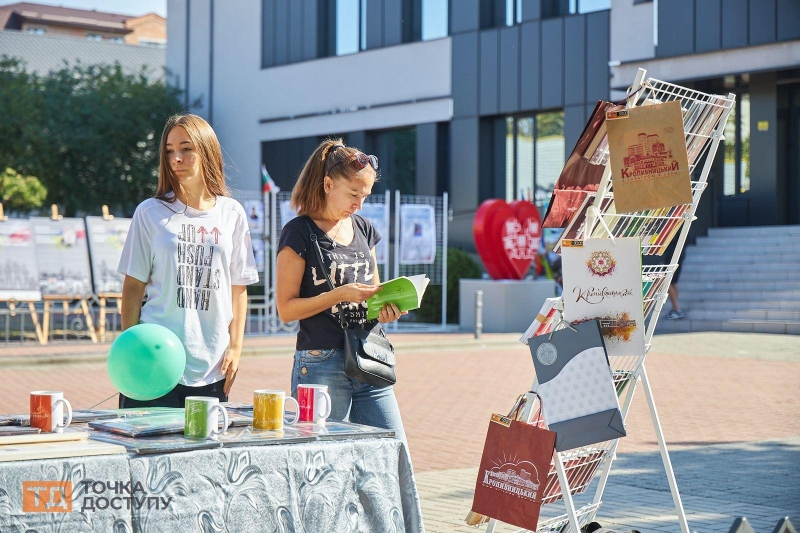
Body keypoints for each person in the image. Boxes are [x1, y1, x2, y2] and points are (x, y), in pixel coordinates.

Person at [117, 114, 259, 408]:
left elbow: (238, 288)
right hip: (152, 361)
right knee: (146, 452)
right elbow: (133, 286)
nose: (176, 158)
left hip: (211, 367)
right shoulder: (150, 212)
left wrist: (235, 348)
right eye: (169, 150)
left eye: (186, 148)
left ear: (207, 150)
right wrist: (130, 350)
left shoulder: (232, 214)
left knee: (203, 453)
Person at [275, 139, 409, 446]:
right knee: (322, 464)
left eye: (365, 196)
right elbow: (286, 309)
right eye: (353, 194)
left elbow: (373, 294)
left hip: (370, 356)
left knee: (393, 451)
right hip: (322, 362)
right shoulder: (299, 233)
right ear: (327, 184)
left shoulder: (363, 229)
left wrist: (388, 308)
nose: (359, 204)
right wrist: (339, 295)